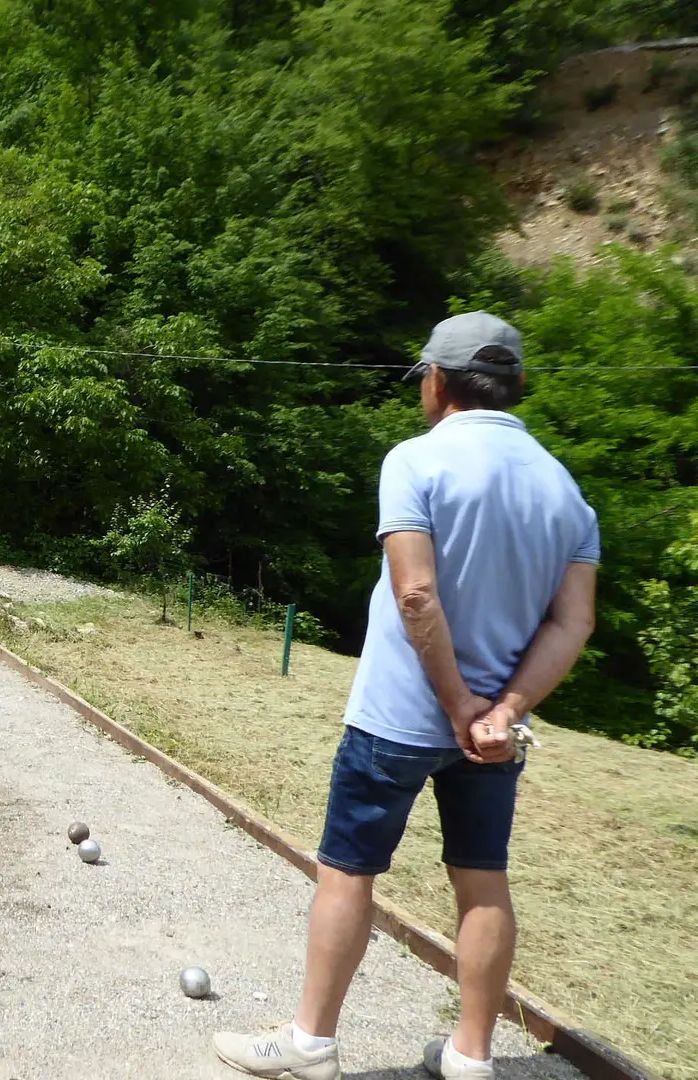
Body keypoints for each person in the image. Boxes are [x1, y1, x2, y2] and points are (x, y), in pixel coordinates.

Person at [213, 312, 598, 1080]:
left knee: (350, 869)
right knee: (482, 875)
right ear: (516, 385)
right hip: (492, 736)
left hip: (398, 716)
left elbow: (416, 595)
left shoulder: (415, 461)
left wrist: (456, 704)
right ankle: (470, 1055)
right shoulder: (564, 489)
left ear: (437, 381)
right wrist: (502, 713)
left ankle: (312, 1042)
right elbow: (573, 621)